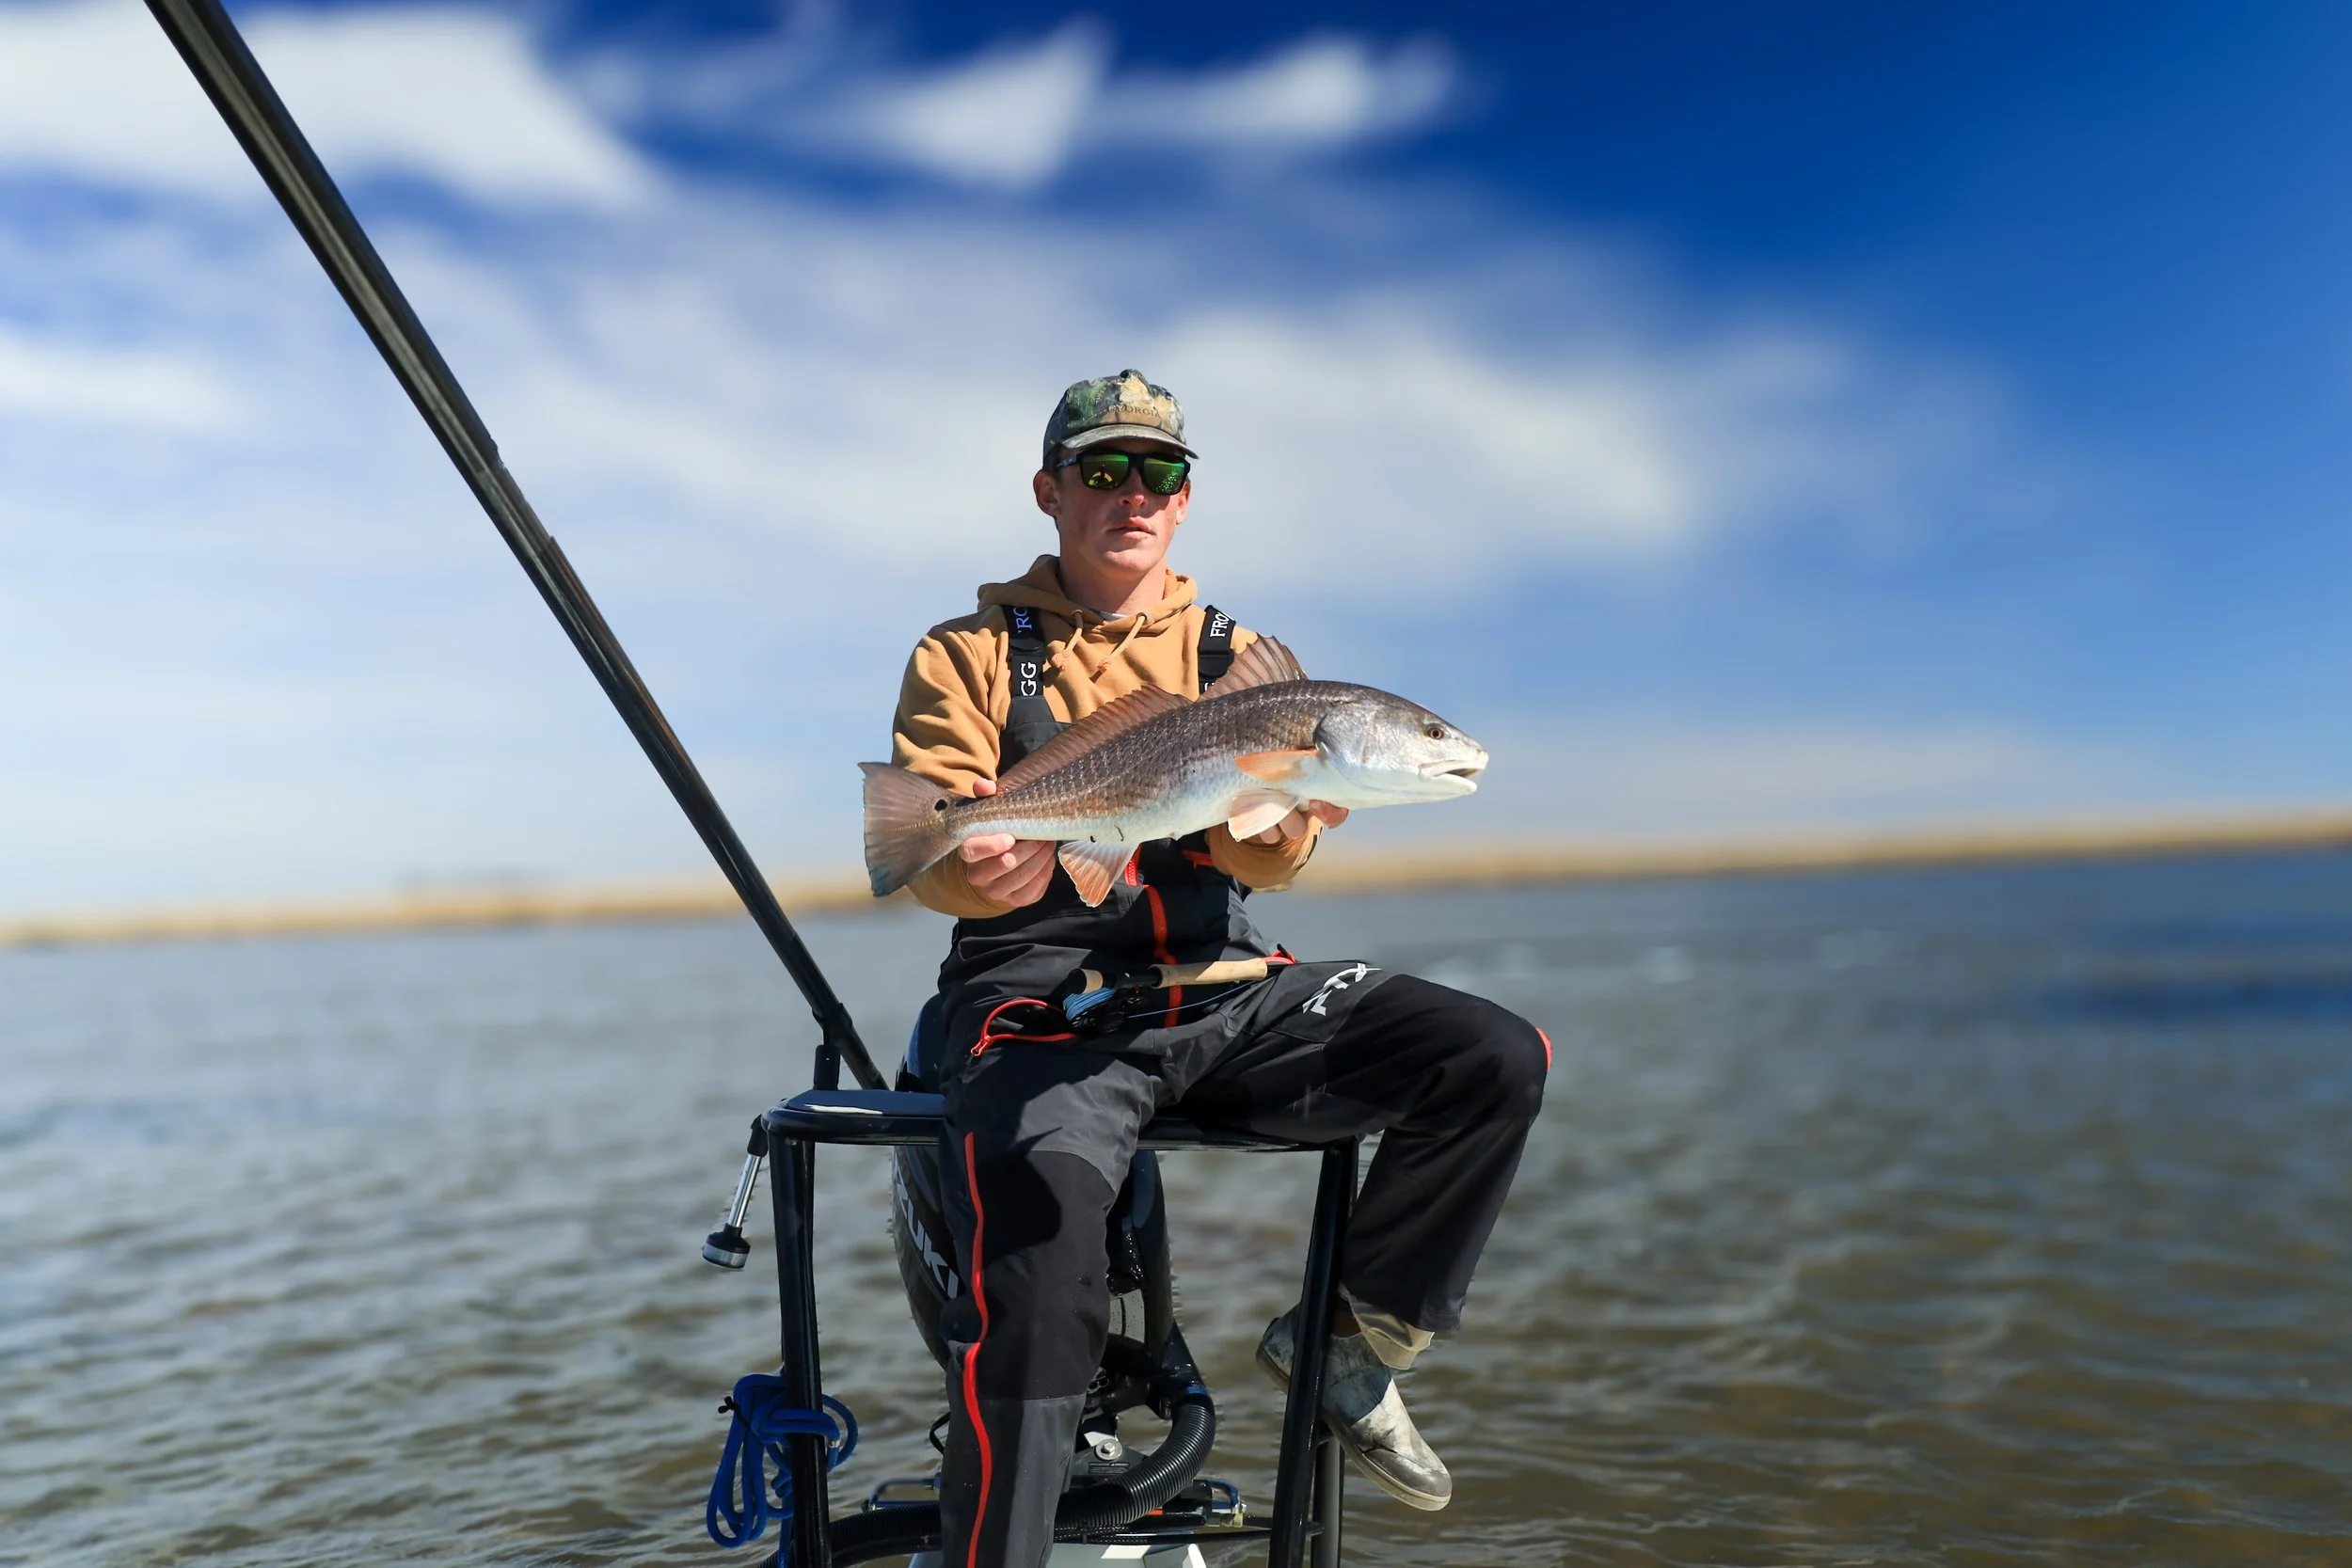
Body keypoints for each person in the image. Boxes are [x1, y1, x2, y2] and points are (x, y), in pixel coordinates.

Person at [889, 370, 1548, 1566]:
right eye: (1102, 470)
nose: (1132, 493)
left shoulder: (1245, 657)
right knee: (1040, 1229)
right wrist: (974, 866)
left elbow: (1279, 853)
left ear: (1186, 500)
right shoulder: (971, 651)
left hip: (1222, 991)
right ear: (1050, 491)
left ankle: (1351, 1344)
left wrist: (1276, 830)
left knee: (1491, 1055)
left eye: (1160, 472)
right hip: (1048, 1007)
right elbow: (930, 849)